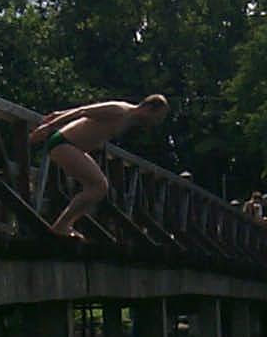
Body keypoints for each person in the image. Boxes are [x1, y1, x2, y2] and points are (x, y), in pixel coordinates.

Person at [29, 95, 170, 237]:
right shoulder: (119, 109)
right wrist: (49, 126)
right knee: (98, 186)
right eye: (157, 117)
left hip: (73, 148)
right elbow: (83, 111)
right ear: (148, 108)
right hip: (63, 143)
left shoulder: (129, 120)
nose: (156, 123)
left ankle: (65, 225)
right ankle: (61, 225)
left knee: (98, 187)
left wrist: (58, 114)